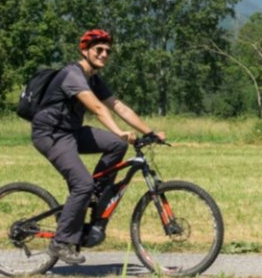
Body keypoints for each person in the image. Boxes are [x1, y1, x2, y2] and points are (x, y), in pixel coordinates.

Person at [30, 29, 164, 265]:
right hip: (51, 134)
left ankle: (95, 194)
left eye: (107, 51)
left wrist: (149, 132)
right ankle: (61, 242)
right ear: (85, 51)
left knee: (114, 145)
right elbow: (98, 108)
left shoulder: (93, 78)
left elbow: (118, 106)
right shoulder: (73, 74)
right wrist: (120, 131)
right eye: (98, 50)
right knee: (82, 183)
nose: (104, 54)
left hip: (71, 131)